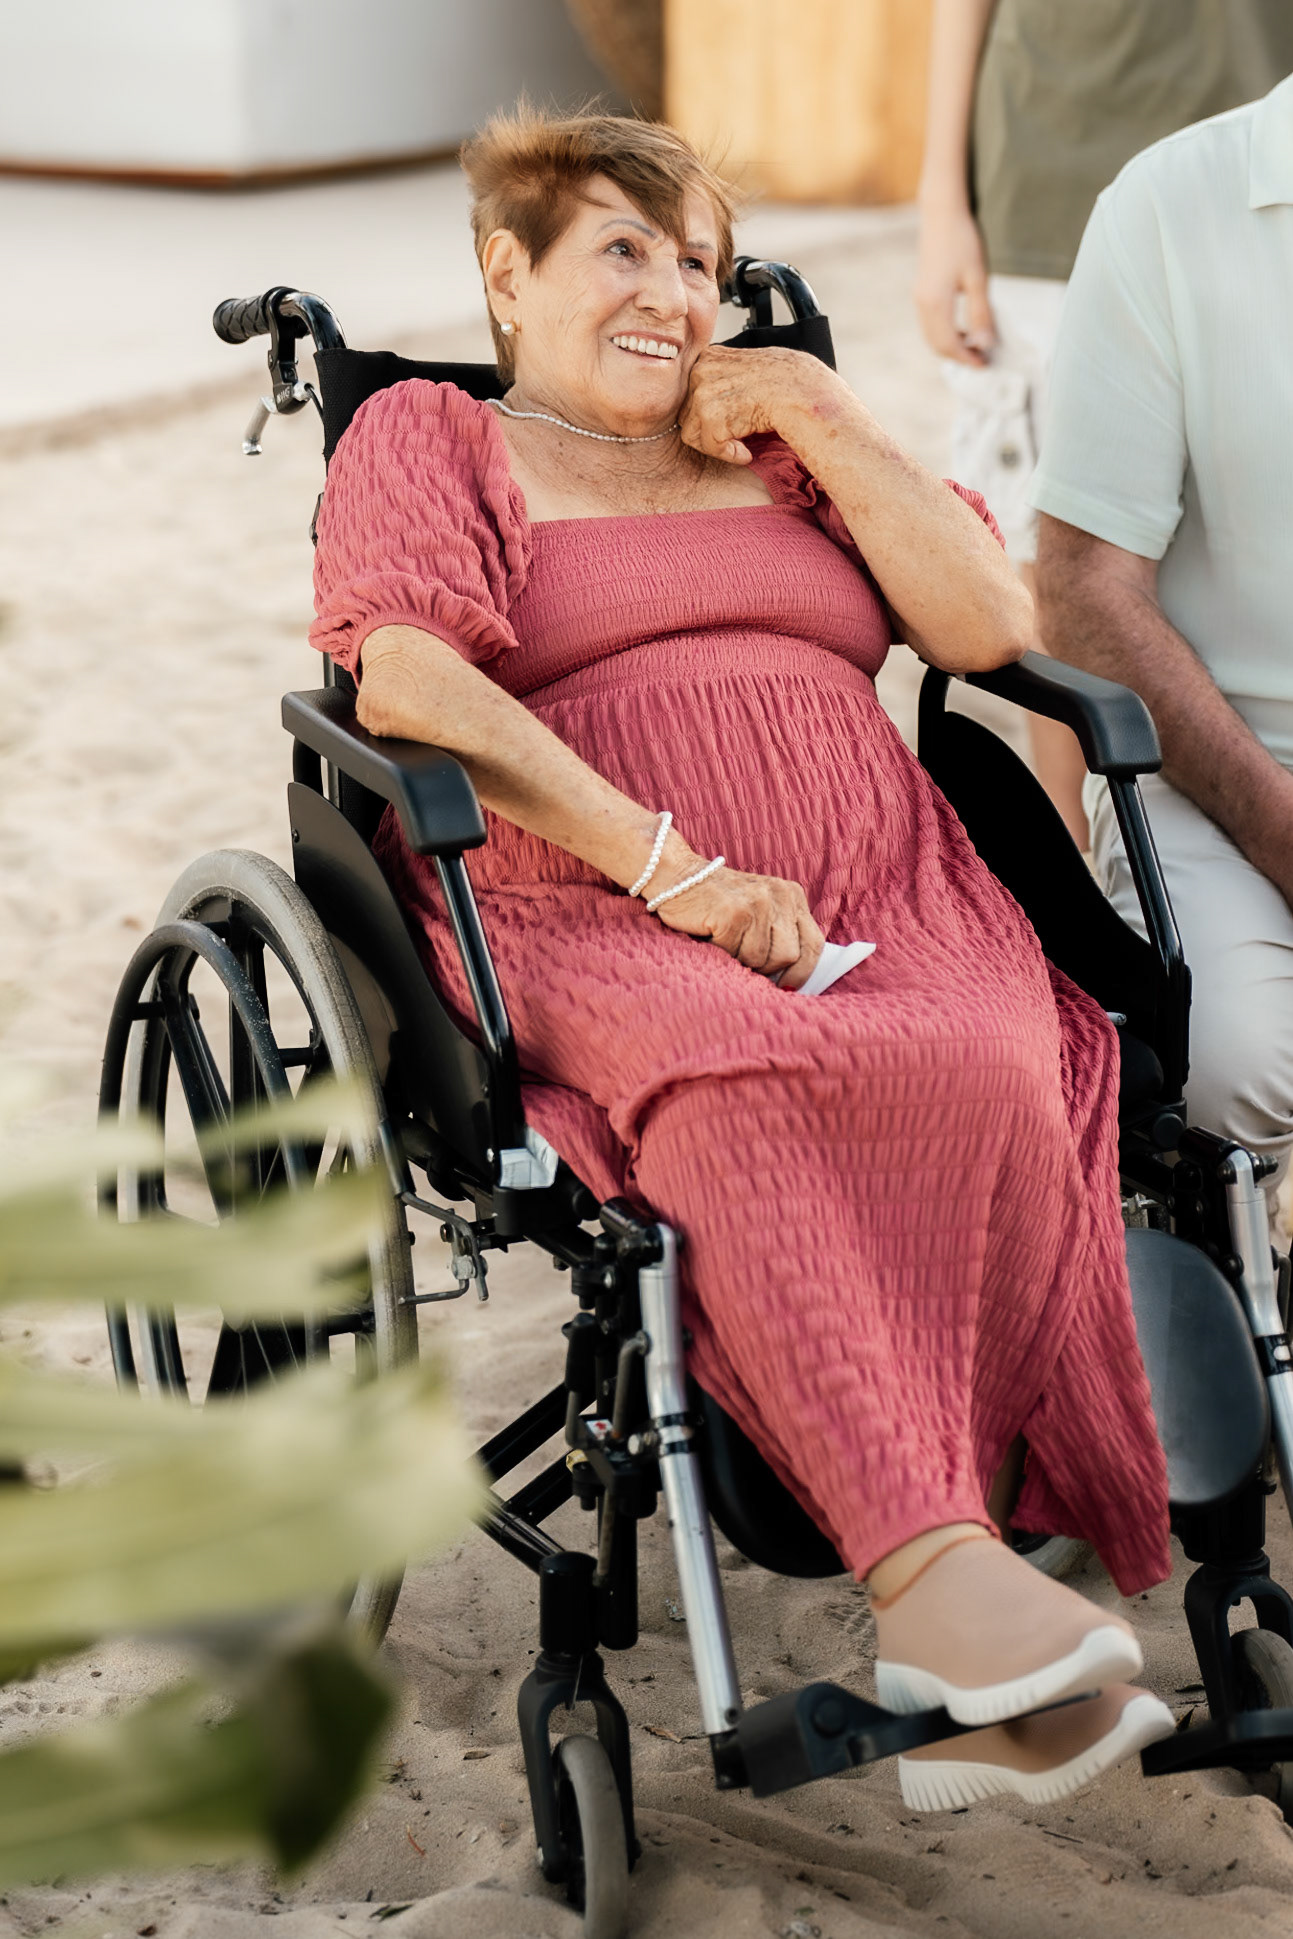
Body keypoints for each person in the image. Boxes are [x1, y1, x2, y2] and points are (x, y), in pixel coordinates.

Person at [310, 109, 1172, 1807]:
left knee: (992, 1052)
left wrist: (817, 406)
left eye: (697, 262)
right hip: (582, 889)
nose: (672, 293)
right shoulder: (436, 434)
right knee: (757, 1071)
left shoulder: (779, 444)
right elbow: (406, 685)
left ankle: (952, 1571)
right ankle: (931, 1576)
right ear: (509, 272)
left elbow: (984, 633)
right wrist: (674, 868)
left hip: (875, 870)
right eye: (621, 250)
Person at [915, 0, 1293, 847]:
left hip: (1262, 169)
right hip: (1052, 171)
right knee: (1061, 568)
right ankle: (1085, 905)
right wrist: (942, 197)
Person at [1033, 73, 1293, 1201]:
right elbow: (1086, 589)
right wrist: (1284, 833)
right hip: (1218, 771)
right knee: (1234, 1069)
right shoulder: (1169, 206)